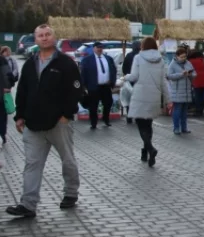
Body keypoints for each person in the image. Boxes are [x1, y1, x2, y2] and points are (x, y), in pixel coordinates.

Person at [6, 24, 83, 218]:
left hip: (59, 123)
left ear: (54, 37)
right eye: (40, 36)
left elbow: (76, 90)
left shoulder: (66, 63)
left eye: (48, 34)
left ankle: (71, 193)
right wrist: (20, 115)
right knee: (32, 164)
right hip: (33, 123)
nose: (44, 38)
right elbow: (22, 90)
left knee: (68, 160)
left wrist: (66, 114)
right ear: (36, 39)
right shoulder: (30, 63)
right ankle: (28, 204)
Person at [126, 37, 170, 167]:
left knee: (141, 124)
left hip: (141, 95)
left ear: (143, 46)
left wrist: (124, 77)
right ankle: (145, 152)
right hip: (154, 96)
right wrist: (168, 99)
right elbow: (163, 82)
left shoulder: (138, 58)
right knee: (149, 125)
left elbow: (134, 76)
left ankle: (150, 148)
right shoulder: (161, 60)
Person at [80, 42, 118, 129]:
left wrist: (112, 81)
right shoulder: (87, 60)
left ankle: (106, 119)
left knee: (108, 103)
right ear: (93, 48)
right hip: (93, 86)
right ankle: (94, 122)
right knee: (93, 105)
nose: (99, 49)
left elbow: (113, 70)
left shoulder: (108, 58)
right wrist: (84, 86)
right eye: (97, 47)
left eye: (101, 47)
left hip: (106, 86)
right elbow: (83, 74)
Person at [167, 47, 195, 135]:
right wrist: (181, 74)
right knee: (177, 109)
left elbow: (194, 73)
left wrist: (190, 74)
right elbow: (169, 76)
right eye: (182, 57)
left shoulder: (188, 63)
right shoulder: (173, 64)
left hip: (187, 91)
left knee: (184, 111)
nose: (184, 58)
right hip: (178, 91)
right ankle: (176, 128)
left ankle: (184, 128)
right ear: (177, 56)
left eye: (185, 57)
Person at [188, 49, 204, 116]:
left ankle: (198, 110)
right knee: (201, 95)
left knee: (197, 95)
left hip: (197, 78)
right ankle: (201, 110)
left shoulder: (191, 61)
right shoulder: (201, 60)